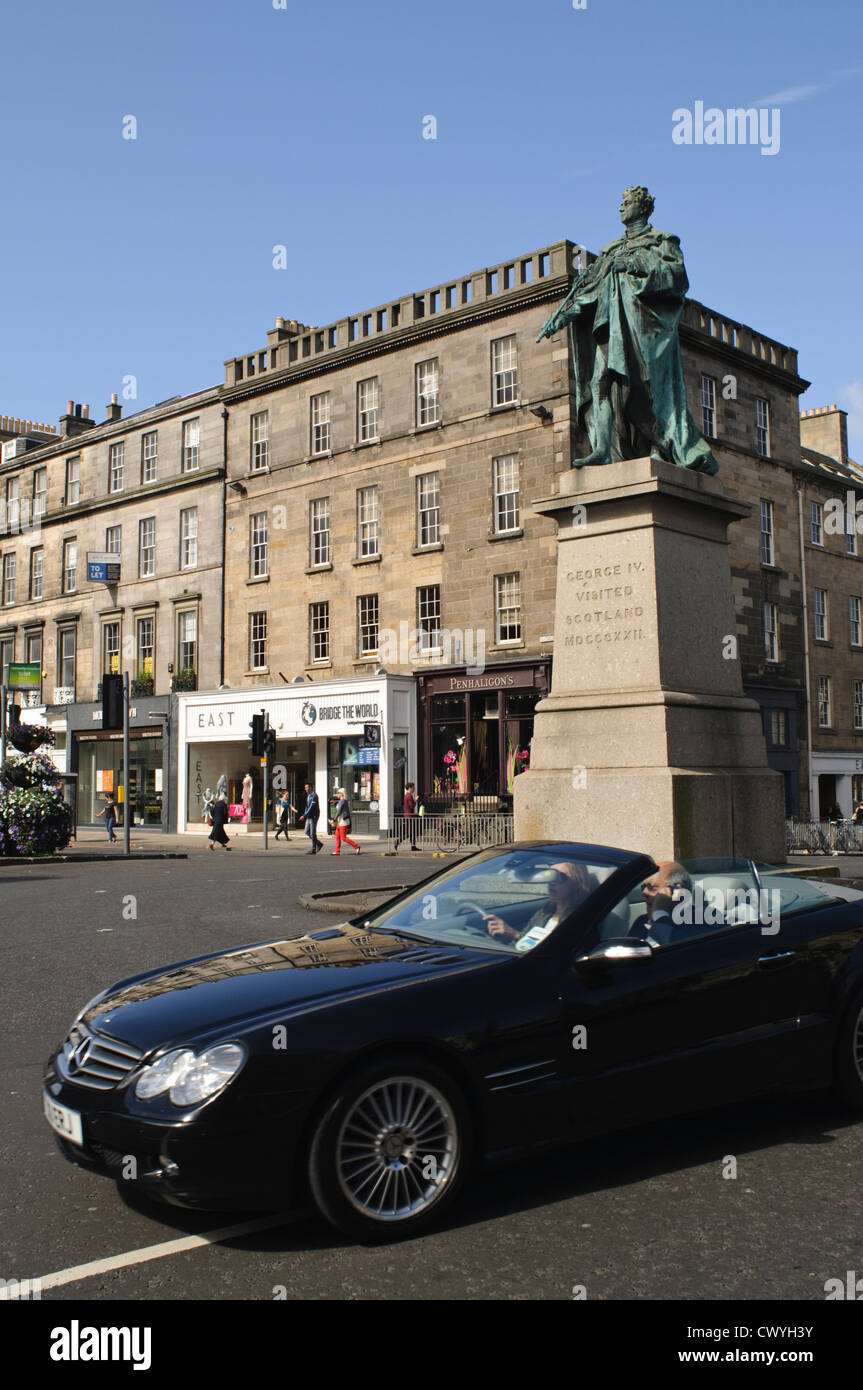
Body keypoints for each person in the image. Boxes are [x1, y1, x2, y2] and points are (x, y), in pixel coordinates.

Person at [537, 186, 717, 474]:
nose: (622, 207)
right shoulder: (611, 250)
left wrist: (634, 264)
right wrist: (563, 318)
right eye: (621, 202)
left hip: (646, 329)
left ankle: (663, 446)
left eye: (628, 202)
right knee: (600, 382)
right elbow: (590, 290)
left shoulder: (661, 242)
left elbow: (677, 279)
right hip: (611, 327)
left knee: (646, 392)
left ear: (643, 207)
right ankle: (602, 450)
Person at [483, 861, 595, 947]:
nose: (551, 883)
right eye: (550, 876)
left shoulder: (581, 918)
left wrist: (515, 934)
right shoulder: (545, 911)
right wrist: (510, 935)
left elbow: (555, 953)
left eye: (559, 877)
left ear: (577, 882)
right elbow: (525, 936)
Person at [630, 861, 693, 946]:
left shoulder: (699, 921)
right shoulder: (642, 921)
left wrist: (659, 915)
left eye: (651, 887)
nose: (644, 893)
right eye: (643, 887)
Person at [294, 782, 324, 854]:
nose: (305, 789)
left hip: (313, 816)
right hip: (308, 816)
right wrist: (305, 814)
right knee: (307, 832)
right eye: (305, 788)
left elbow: (312, 807)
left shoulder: (314, 796)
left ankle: (313, 849)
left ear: (310, 788)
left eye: (306, 787)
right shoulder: (308, 796)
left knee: (312, 833)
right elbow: (307, 806)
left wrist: (304, 815)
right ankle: (319, 844)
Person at [329, 788, 360, 855]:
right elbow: (340, 807)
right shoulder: (341, 801)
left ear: (342, 794)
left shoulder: (343, 801)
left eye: (338, 793)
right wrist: (335, 803)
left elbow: (339, 811)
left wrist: (333, 820)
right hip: (340, 821)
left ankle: (356, 846)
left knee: (343, 838)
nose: (337, 794)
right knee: (337, 836)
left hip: (343, 821)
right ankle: (337, 851)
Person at [396, 782, 421, 851]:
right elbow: (412, 806)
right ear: (410, 788)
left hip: (409, 816)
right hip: (409, 816)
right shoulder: (409, 796)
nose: (414, 789)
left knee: (412, 832)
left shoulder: (407, 795)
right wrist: (415, 800)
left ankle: (413, 846)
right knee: (410, 833)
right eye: (413, 787)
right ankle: (398, 841)